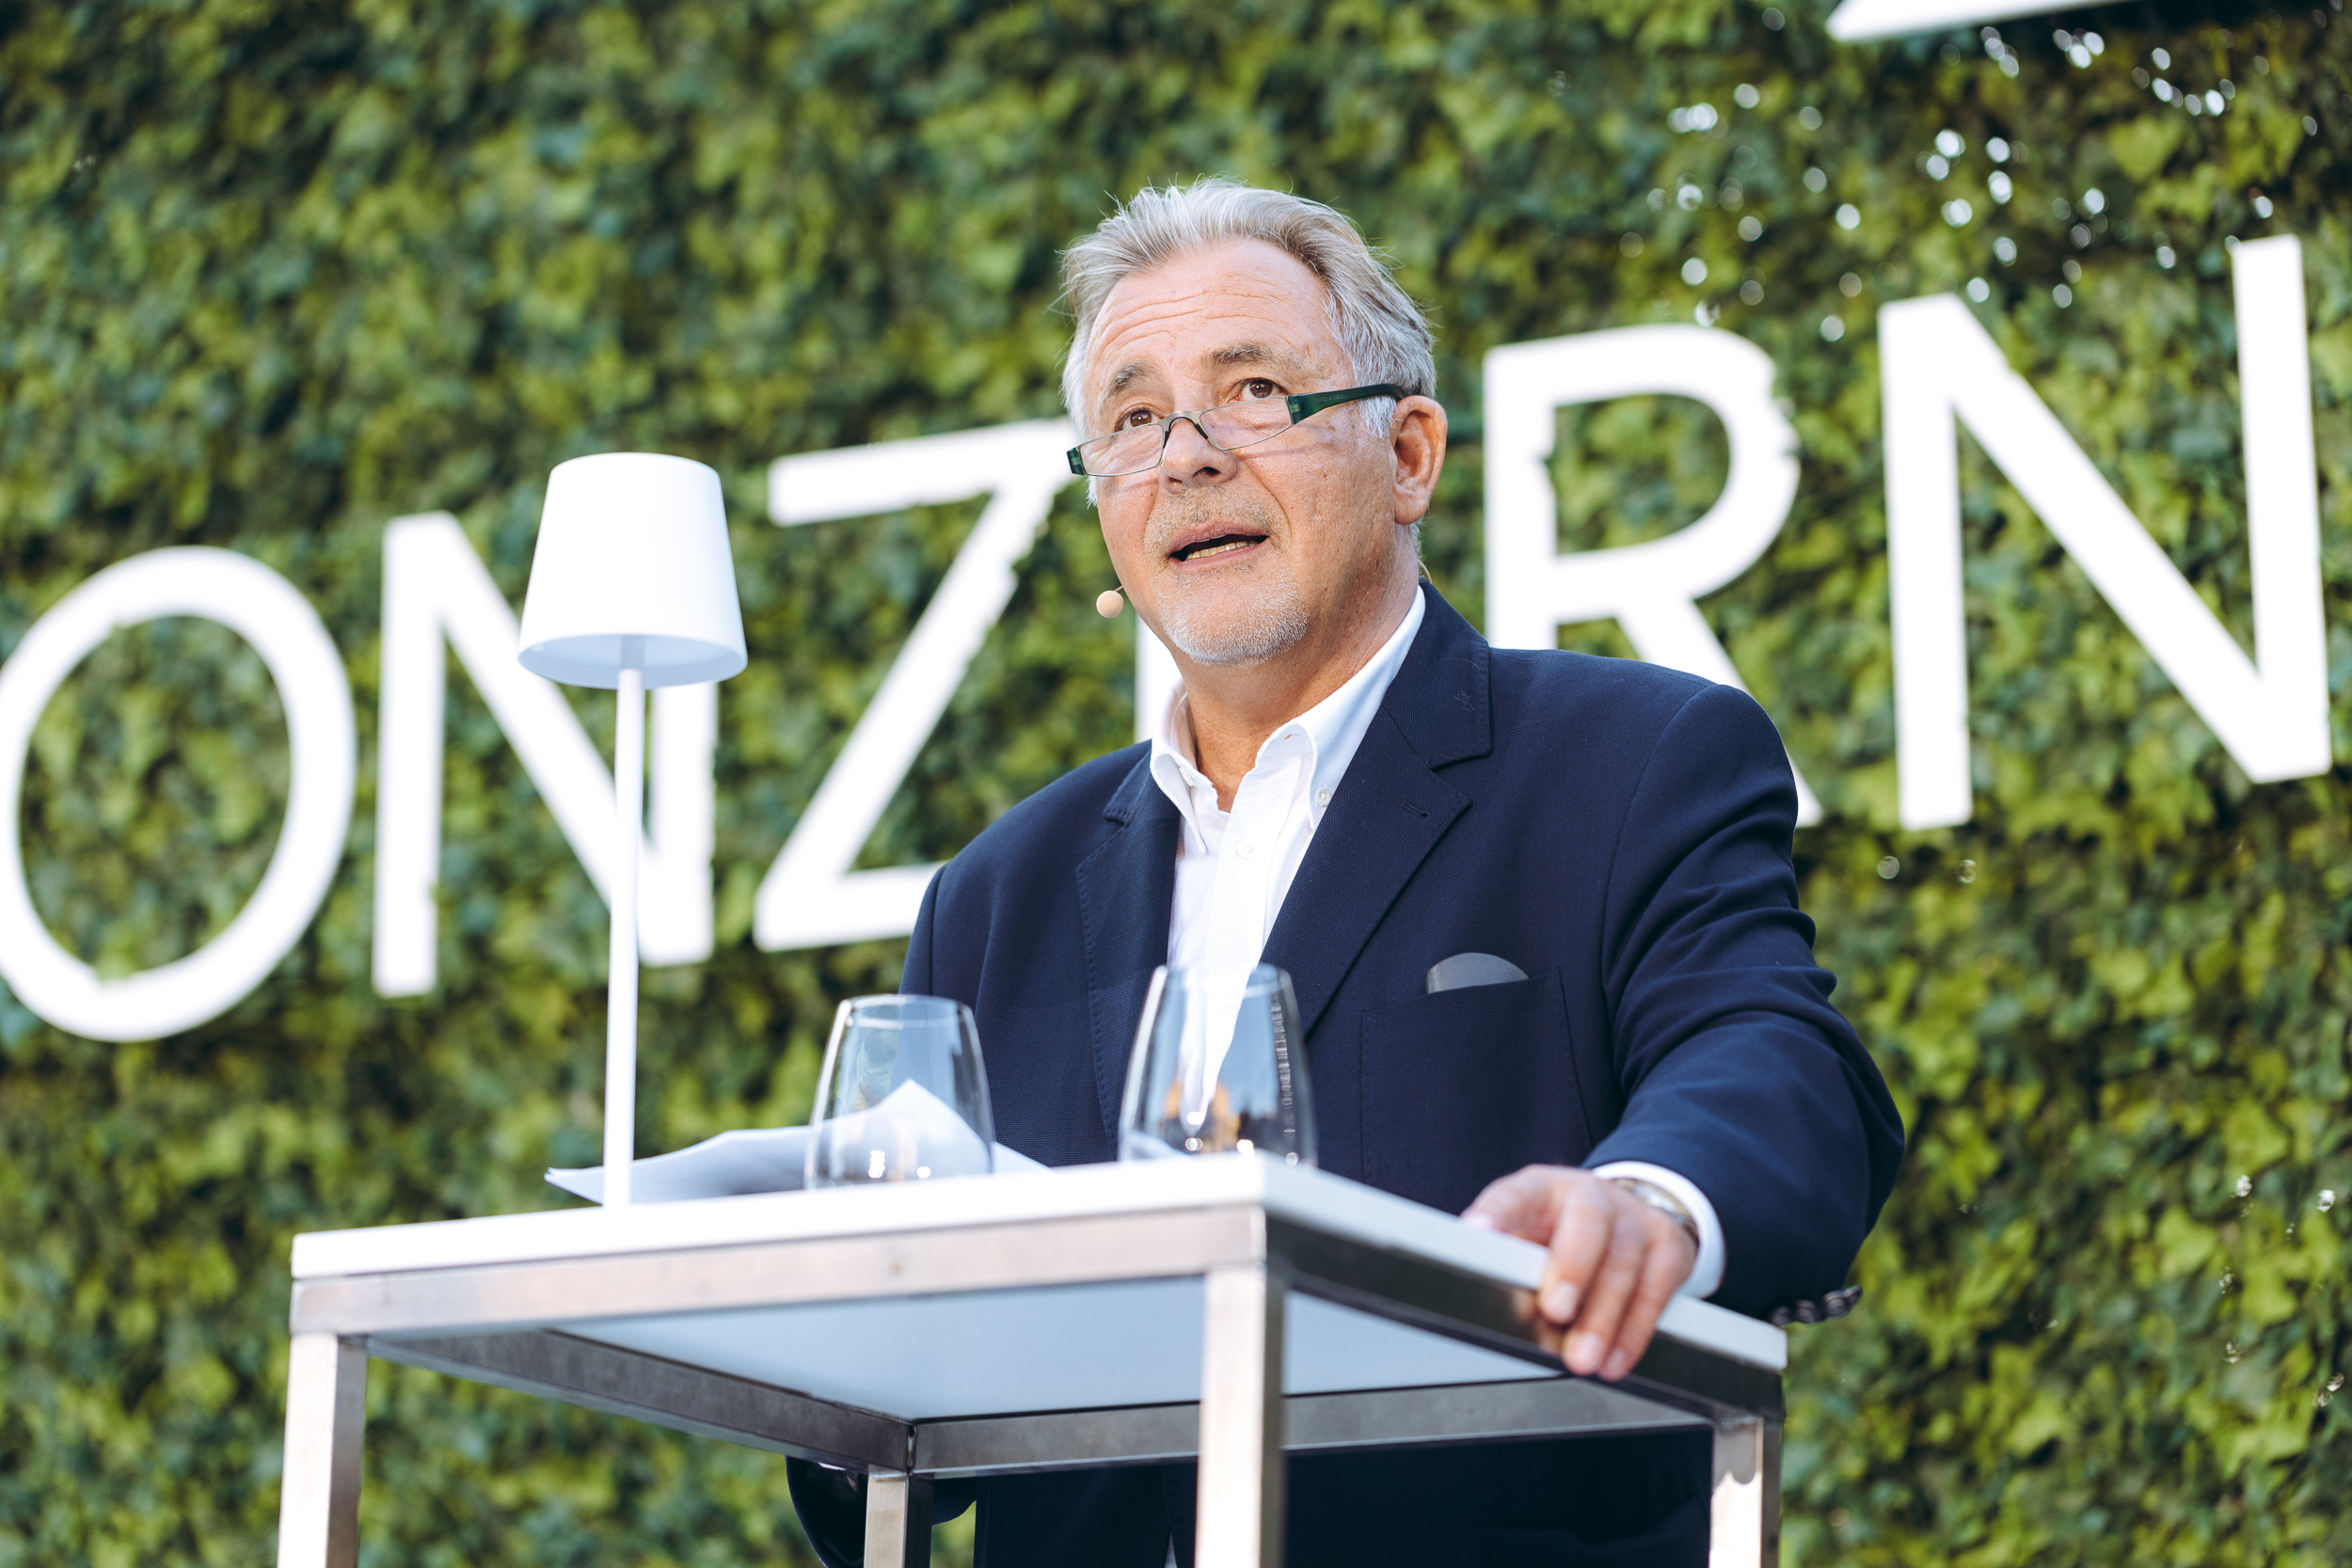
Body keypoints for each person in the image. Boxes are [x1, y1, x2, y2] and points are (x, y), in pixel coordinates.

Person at [789, 178, 1903, 1567]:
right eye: (1132, 420)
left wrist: (1649, 1203)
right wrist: (820, 1355)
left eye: (1253, 392)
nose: (1185, 457)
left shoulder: (1631, 760)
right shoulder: (994, 895)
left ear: (1411, 454)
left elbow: (1780, 1062)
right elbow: (890, 1418)